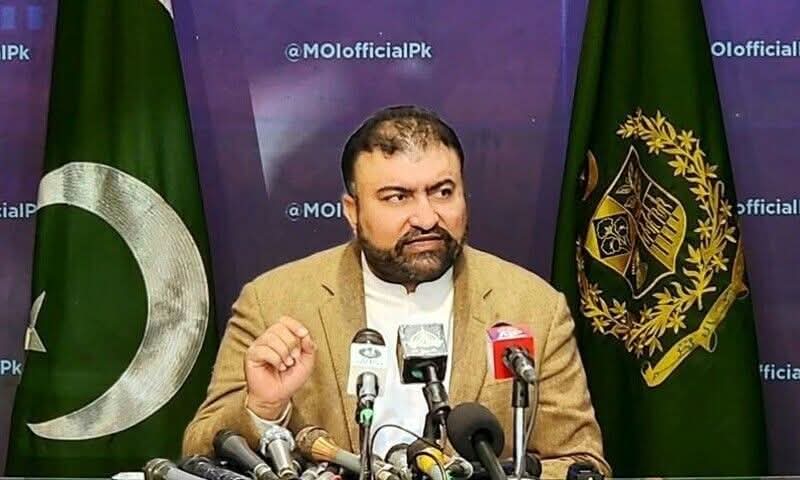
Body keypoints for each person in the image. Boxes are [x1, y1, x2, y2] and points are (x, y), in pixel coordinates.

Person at [183, 105, 610, 478]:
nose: (426, 218)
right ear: (353, 212)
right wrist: (264, 408)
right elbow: (198, 450)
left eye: (443, 192)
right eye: (397, 197)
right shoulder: (274, 301)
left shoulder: (533, 307)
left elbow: (581, 462)